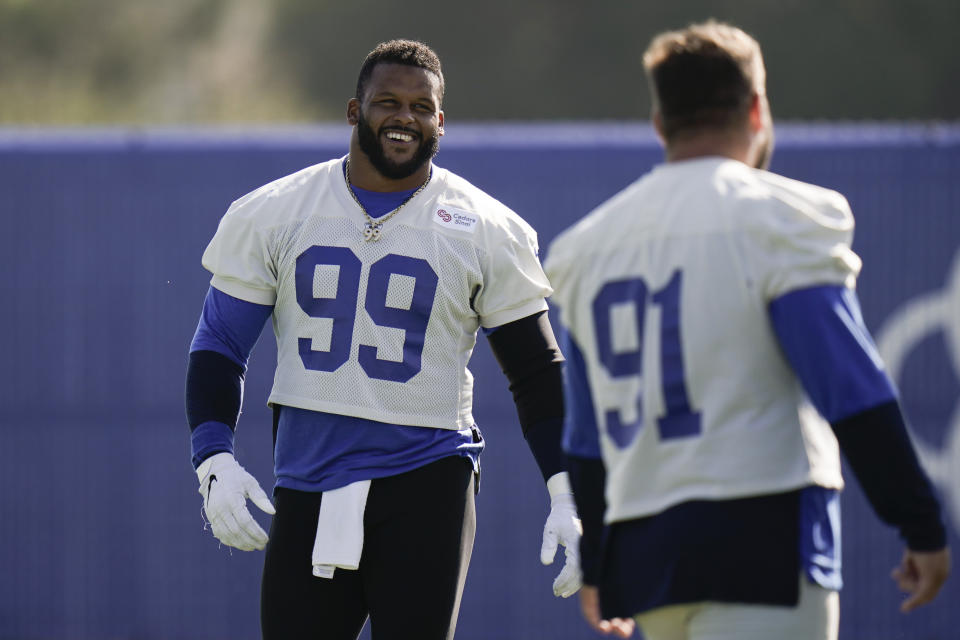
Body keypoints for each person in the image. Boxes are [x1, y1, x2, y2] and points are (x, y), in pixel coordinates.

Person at [544, 20, 950, 640]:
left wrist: (600, 564)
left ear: (660, 122)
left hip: (648, 561)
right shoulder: (780, 217)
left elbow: (585, 438)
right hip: (764, 541)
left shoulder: (585, 247)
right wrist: (919, 523)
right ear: (757, 109)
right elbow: (853, 390)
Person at [184, 39, 582, 640]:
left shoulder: (485, 228)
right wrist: (212, 458)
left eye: (422, 107)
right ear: (354, 111)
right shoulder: (277, 212)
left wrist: (567, 491)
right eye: (387, 102)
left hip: (427, 476)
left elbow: (535, 370)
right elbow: (219, 344)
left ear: (440, 122)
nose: (405, 117)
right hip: (310, 475)